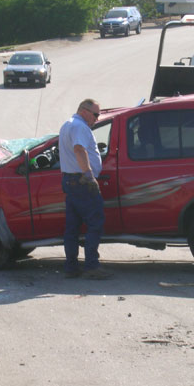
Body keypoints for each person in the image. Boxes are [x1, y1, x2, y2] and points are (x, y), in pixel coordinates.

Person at [58, 99, 111, 280]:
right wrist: (89, 175)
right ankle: (91, 266)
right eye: (95, 114)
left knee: (72, 227)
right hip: (81, 182)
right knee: (95, 223)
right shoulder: (80, 127)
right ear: (84, 111)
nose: (97, 118)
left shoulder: (67, 125)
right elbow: (80, 150)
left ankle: (71, 267)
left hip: (70, 180)